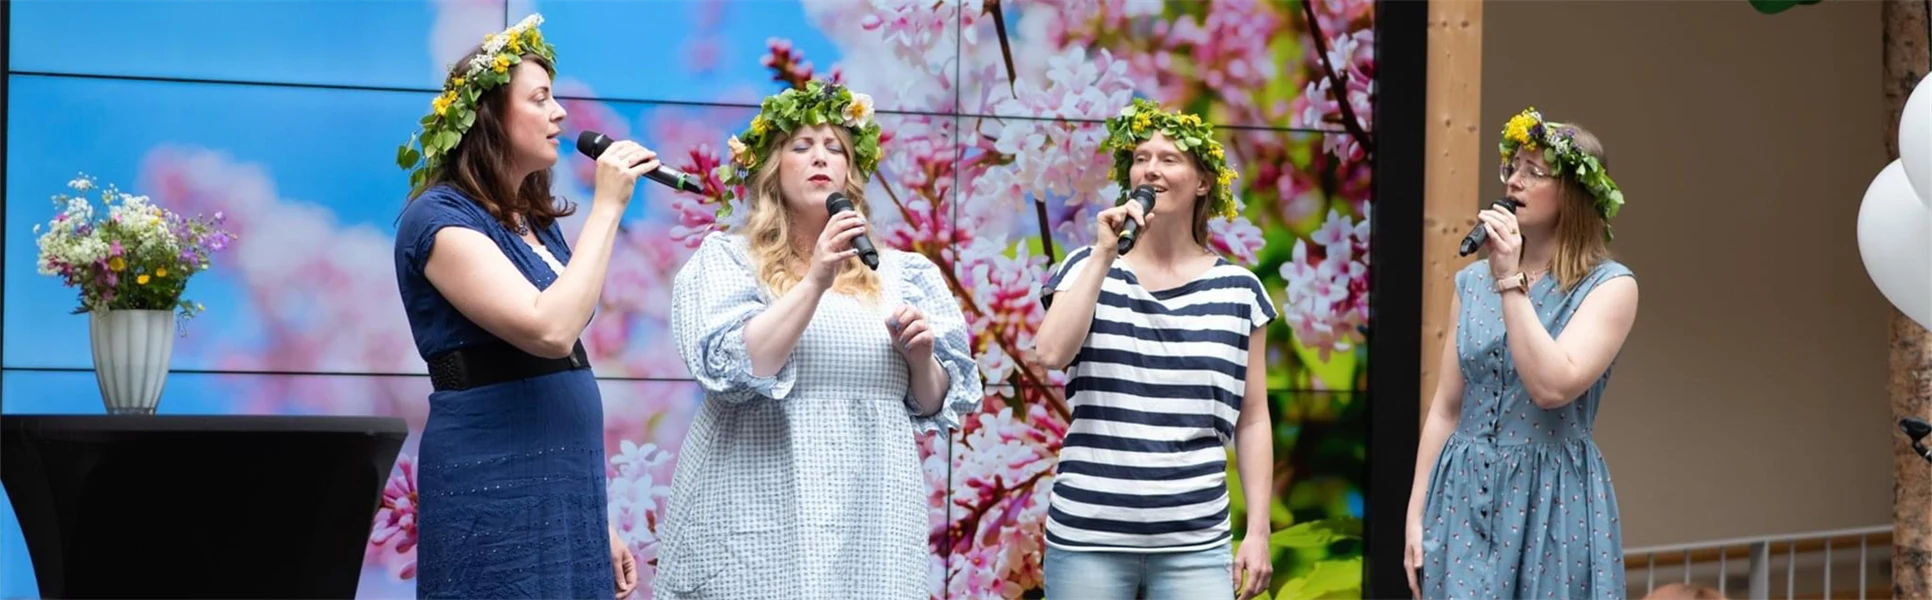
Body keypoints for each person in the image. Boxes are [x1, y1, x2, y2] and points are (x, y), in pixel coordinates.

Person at [654, 80, 982, 598]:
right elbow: (737, 368)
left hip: (871, 514)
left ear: (850, 175)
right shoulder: (729, 260)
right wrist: (815, 281)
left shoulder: (903, 273)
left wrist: (922, 360)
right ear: (771, 170)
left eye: (835, 148)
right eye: (801, 146)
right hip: (756, 511)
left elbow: (935, 402)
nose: (820, 157)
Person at [391, 14, 652, 599]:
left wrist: (594, 513)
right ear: (490, 118)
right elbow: (551, 329)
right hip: (494, 482)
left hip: (567, 487)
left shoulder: (538, 223)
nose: (560, 113)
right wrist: (609, 207)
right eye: (540, 99)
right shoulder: (437, 220)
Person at [1031, 97, 1277, 600]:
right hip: (1088, 539)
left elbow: (1252, 418)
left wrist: (1258, 531)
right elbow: (1051, 353)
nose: (1151, 169)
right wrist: (1103, 251)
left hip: (1195, 544)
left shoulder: (1239, 290)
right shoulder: (1085, 266)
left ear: (1203, 182)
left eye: (1169, 159)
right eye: (1141, 158)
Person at [1403, 106, 1639, 600]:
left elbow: (1552, 387)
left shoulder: (1609, 287)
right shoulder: (1471, 283)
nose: (1514, 182)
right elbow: (1447, 406)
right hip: (1462, 492)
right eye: (1512, 168)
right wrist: (1416, 509)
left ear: (1574, 193)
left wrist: (1510, 279)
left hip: (1551, 498)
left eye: (1535, 172)